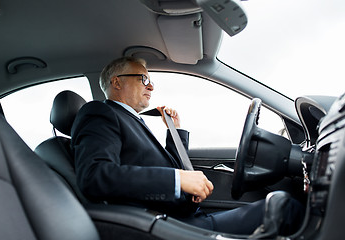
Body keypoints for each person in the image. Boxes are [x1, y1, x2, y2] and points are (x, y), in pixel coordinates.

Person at [71, 57, 303, 235]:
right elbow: (95, 175)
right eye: (143, 79)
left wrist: (176, 131)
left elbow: (163, 164)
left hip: (181, 215)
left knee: (277, 203)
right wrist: (178, 181)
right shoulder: (100, 112)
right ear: (116, 82)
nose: (151, 86)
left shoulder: (131, 119)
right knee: (284, 206)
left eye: (151, 81)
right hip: (165, 225)